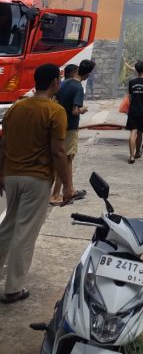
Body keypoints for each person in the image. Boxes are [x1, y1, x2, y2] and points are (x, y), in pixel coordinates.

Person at [0, 63, 74, 303]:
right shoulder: (55, 111)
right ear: (55, 82)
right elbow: (59, 152)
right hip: (37, 178)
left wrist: (1, 173)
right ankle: (13, 289)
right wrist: (68, 186)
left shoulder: (16, 108)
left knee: (7, 227)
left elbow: (3, 144)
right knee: (25, 232)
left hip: (11, 175)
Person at [50, 59, 95, 205]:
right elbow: (75, 111)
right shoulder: (78, 88)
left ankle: (69, 190)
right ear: (87, 74)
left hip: (58, 126)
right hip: (70, 128)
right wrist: (83, 109)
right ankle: (57, 194)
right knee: (66, 161)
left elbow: (54, 101)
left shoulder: (63, 84)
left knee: (62, 159)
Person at [126, 61, 143, 164]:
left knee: (133, 132)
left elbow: (130, 97)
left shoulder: (131, 82)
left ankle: (131, 156)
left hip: (133, 110)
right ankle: (137, 152)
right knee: (140, 132)